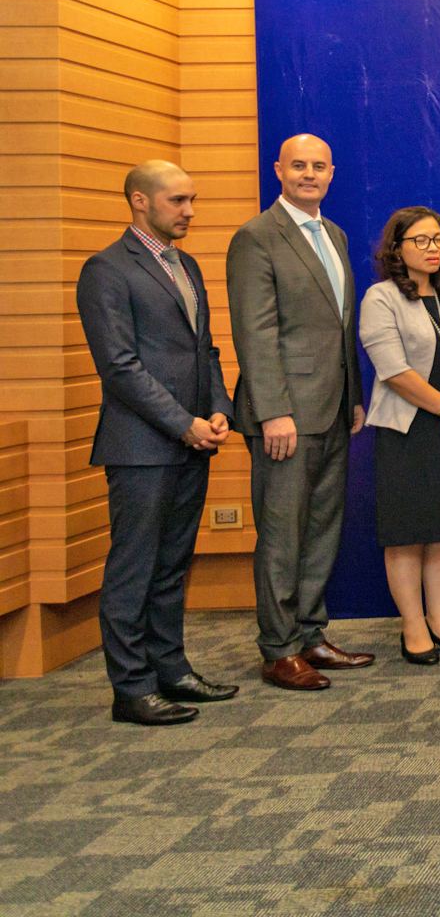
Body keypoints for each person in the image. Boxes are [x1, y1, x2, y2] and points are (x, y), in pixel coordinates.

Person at [76, 161, 238, 724]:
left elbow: (205, 351)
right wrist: (183, 423)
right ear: (140, 201)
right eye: (177, 201)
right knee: (134, 568)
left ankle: (171, 670)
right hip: (141, 447)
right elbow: (119, 368)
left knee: (172, 564)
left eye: (192, 199)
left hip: (192, 441)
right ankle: (132, 688)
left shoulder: (186, 265)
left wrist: (218, 411)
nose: (190, 211)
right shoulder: (106, 270)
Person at [227, 133, 370, 690]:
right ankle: (278, 647)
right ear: (278, 170)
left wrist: (353, 394)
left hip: (332, 408)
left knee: (321, 529)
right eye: (298, 166)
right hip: (285, 416)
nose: (309, 174)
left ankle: (311, 634)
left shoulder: (331, 233)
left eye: (318, 166)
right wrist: (272, 412)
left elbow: (338, 328)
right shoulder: (257, 237)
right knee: (282, 533)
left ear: (331, 173)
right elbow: (256, 333)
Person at [359, 208, 440, 665]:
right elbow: (393, 371)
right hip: (411, 429)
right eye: (420, 241)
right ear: (397, 249)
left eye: (438, 239)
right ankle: (413, 627)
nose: (433, 248)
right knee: (408, 532)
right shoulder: (381, 297)